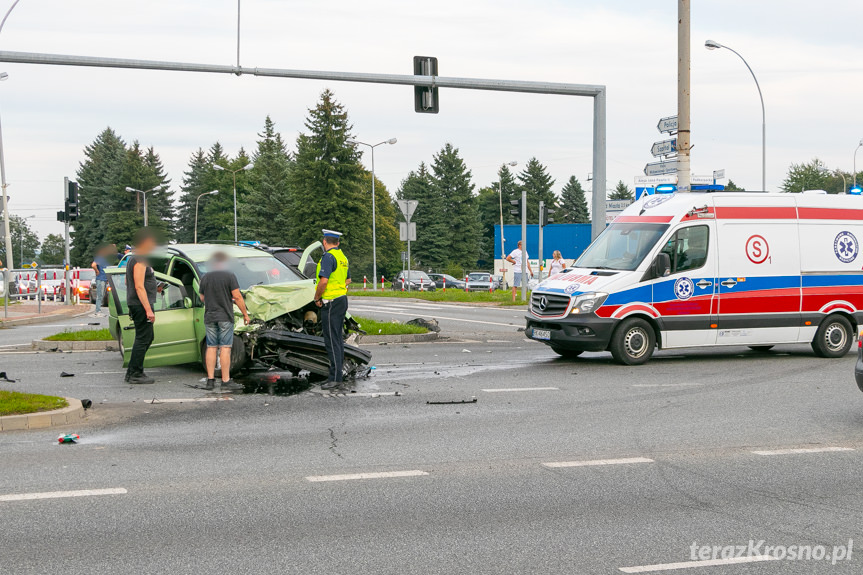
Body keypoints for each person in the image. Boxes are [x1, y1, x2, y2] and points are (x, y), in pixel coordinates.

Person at [199, 251, 249, 392]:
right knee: (225, 348)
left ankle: (210, 380)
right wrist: (245, 314)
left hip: (210, 317)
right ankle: (225, 381)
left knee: (211, 347)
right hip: (225, 317)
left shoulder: (205, 277)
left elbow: (202, 298)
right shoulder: (229, 276)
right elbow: (237, 296)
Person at [314, 229, 350, 389]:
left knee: (331, 340)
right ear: (338, 242)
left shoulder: (328, 257)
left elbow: (323, 282)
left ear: (324, 242)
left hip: (331, 302)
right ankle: (337, 376)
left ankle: (335, 378)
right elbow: (348, 279)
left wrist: (317, 297)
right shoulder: (342, 257)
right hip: (341, 300)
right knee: (337, 340)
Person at [125, 229, 158, 384]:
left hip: (138, 303)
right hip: (140, 305)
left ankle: (133, 370)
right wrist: (148, 309)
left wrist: (154, 287)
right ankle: (135, 374)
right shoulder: (139, 259)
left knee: (147, 337)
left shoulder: (134, 258)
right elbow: (139, 286)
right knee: (143, 338)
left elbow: (128, 282)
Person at [90, 246, 109, 316]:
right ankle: (98, 310)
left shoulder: (104, 259)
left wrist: (107, 279)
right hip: (100, 279)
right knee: (100, 295)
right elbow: (93, 265)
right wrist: (97, 271)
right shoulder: (99, 258)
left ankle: (99, 310)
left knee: (102, 295)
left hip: (103, 279)